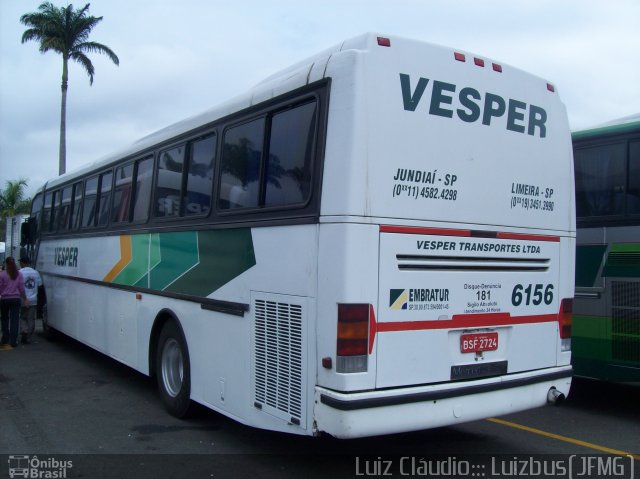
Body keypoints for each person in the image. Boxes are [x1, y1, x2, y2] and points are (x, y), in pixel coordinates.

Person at [0, 257, 29, 349]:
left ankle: (5, 338)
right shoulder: (19, 274)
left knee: (4, 319)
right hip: (16, 299)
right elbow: (21, 288)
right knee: (14, 320)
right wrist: (25, 298)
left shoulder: (2, 275)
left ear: (6, 264)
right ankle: (13, 340)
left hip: (4, 299)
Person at [19, 256, 42, 344]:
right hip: (33, 299)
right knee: (31, 318)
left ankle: (24, 330)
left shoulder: (19, 272)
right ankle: (28, 336)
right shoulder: (35, 272)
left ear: (22, 263)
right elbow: (40, 285)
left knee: (22, 317)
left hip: (23, 298)